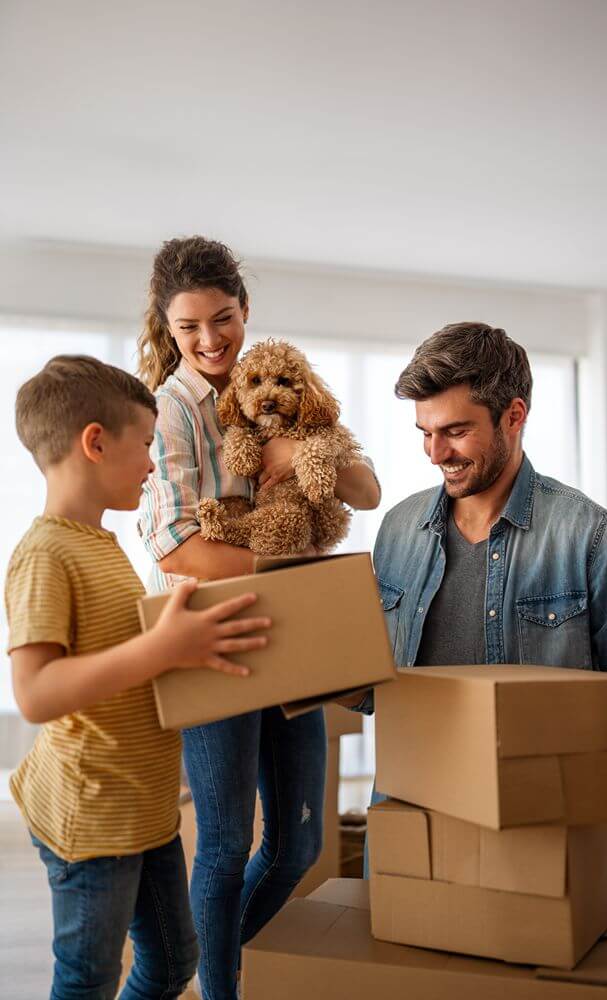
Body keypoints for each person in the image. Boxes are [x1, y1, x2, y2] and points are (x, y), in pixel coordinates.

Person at [137, 236, 380, 1000]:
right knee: (222, 847)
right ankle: (218, 986)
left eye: (223, 318)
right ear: (168, 328)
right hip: (209, 640)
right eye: (189, 327)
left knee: (298, 841)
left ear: (245, 311)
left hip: (286, 636)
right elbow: (178, 547)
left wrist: (298, 456)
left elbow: (364, 490)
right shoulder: (169, 411)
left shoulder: (285, 388)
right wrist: (294, 570)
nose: (210, 340)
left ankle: (209, 966)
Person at [6, 355, 271, 1000]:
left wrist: (180, 647)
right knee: (88, 979)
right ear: (95, 443)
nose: (153, 464)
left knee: (174, 963)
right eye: (147, 444)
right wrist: (161, 649)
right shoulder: (45, 554)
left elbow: (122, 658)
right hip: (95, 819)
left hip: (145, 810)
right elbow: (36, 693)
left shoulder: (100, 541)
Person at [350, 321, 607, 722]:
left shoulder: (591, 538)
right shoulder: (399, 529)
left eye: (455, 431)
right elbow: (376, 693)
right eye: (426, 433)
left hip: (539, 766)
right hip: (411, 766)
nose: (435, 454)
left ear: (514, 417)